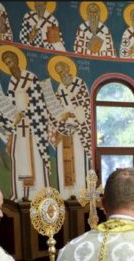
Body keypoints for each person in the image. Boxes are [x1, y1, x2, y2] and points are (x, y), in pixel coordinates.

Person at [0, 46, 51, 201]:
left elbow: (39, 103)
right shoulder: (12, 83)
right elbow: (10, 104)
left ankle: (39, 193)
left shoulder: (30, 77)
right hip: (19, 128)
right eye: (6, 63)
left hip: (33, 127)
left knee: (35, 157)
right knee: (19, 156)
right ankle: (21, 194)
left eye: (10, 61)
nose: (10, 65)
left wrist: (27, 113)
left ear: (17, 60)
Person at [47, 56, 92, 199]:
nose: (62, 74)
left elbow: (84, 106)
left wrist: (71, 114)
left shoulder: (79, 84)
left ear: (68, 69)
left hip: (79, 130)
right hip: (64, 129)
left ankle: (81, 193)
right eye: (59, 73)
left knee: (78, 159)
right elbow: (56, 110)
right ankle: (65, 195)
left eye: (63, 71)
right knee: (63, 160)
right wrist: (61, 117)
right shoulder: (60, 88)